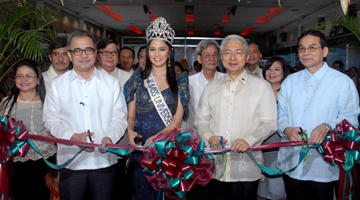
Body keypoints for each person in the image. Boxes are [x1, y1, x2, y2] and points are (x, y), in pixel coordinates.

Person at [43, 30, 128, 200]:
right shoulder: (57, 85)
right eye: (77, 51)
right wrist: (73, 137)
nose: (84, 55)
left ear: (95, 53)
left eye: (88, 50)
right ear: (69, 54)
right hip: (71, 163)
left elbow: (120, 117)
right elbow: (51, 120)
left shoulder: (111, 84)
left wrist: (110, 138)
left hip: (104, 162)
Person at [276, 30, 360, 200]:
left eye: (312, 47)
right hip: (292, 159)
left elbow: (351, 117)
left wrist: (328, 126)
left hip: (323, 162)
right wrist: (286, 128)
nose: (306, 53)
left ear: (325, 51)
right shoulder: (290, 81)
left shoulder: (342, 82)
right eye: (302, 48)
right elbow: (281, 113)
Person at [195, 34, 277, 200]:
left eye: (238, 52)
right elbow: (201, 120)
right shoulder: (211, 88)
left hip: (246, 166)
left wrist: (250, 139)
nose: (232, 57)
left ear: (247, 57)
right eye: (227, 52)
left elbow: (269, 123)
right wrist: (209, 137)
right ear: (221, 57)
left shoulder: (262, 87)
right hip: (216, 166)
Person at [124, 17, 189, 200]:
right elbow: (131, 116)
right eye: (152, 49)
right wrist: (129, 131)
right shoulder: (138, 78)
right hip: (143, 148)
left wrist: (158, 138)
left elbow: (177, 121)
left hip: (168, 148)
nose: (156, 54)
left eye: (162, 49)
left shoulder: (181, 81)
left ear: (170, 51)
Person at [0, 59, 56, 200]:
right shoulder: (6, 103)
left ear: (38, 80)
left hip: (46, 164)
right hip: (16, 166)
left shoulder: (49, 103)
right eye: (19, 76)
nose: (23, 79)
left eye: (29, 75)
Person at [95, 37, 133, 200]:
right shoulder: (90, 79)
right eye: (105, 52)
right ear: (98, 55)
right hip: (96, 143)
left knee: (121, 187)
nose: (110, 56)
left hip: (122, 141)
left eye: (113, 52)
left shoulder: (128, 79)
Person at [257, 57, 291, 200]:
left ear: (284, 72)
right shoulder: (258, 92)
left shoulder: (289, 94)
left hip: (279, 145)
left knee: (276, 188)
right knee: (260, 189)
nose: (272, 72)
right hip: (258, 145)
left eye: (277, 69)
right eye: (269, 68)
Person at [183, 39, 224, 130]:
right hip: (196, 137)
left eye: (215, 55)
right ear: (199, 59)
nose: (212, 59)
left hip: (221, 136)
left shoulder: (226, 80)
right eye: (207, 55)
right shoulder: (189, 82)